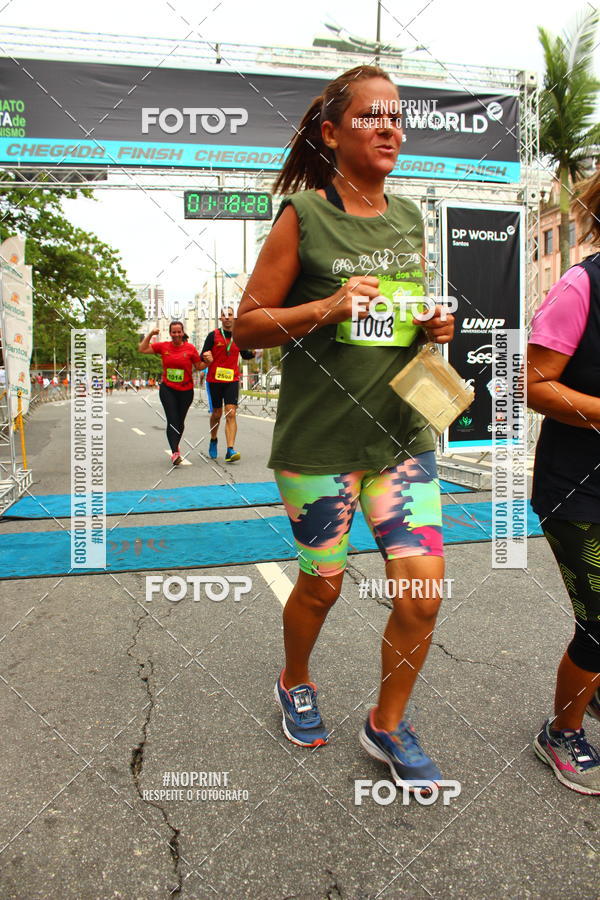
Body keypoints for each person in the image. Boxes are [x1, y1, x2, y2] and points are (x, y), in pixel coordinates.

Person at [234, 65, 454, 789]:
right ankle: (295, 678)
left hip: (401, 436)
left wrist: (435, 327)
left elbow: (403, 319)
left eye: (397, 117)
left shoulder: (411, 217)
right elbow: (248, 328)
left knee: (423, 590)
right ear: (332, 133)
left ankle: (387, 726)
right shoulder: (304, 214)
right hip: (322, 442)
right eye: (372, 117)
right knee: (324, 586)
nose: (391, 128)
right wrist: (325, 308)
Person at [528, 171, 600, 795]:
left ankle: (592, 689)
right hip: (579, 490)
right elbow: (534, 385)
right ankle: (560, 733)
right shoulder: (581, 285)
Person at [138, 320, 206, 465]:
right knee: (172, 419)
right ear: (170, 333)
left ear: (182, 332)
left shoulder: (190, 348)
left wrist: (209, 362)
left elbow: (199, 366)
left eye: (178, 332)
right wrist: (150, 333)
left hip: (186, 390)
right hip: (168, 389)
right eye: (173, 332)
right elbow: (142, 349)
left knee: (180, 422)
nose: (176, 334)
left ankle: (176, 446)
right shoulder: (164, 346)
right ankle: (175, 452)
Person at [201, 306, 255, 462]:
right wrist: (206, 356)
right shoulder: (213, 336)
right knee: (217, 414)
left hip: (231, 380)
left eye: (230, 315)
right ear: (220, 318)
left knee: (231, 413)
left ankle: (230, 450)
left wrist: (255, 352)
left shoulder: (239, 337)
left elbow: (245, 354)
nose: (227, 317)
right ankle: (213, 439)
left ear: (234, 318)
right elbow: (202, 354)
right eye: (224, 315)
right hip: (215, 380)